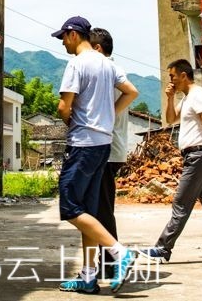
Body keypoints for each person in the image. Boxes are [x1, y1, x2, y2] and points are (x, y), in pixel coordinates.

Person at [53, 16, 140, 293]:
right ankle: (89, 276)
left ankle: (119, 252)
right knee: (88, 210)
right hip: (103, 143)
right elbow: (131, 91)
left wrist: (73, 120)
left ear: (73, 35)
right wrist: (109, 115)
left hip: (82, 142)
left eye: (63, 38)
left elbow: (63, 107)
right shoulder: (108, 64)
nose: (63, 43)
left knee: (70, 207)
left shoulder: (76, 63)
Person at [140, 59, 202, 264]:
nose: (171, 81)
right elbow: (170, 119)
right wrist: (169, 98)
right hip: (194, 156)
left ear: (183, 76)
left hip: (198, 156)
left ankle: (162, 248)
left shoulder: (198, 96)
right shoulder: (186, 98)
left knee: (181, 202)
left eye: (172, 76)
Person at [89, 27, 132, 281]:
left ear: (96, 49)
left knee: (102, 209)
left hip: (105, 149)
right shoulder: (113, 71)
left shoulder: (107, 71)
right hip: (110, 148)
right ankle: (107, 262)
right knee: (100, 208)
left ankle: (114, 260)